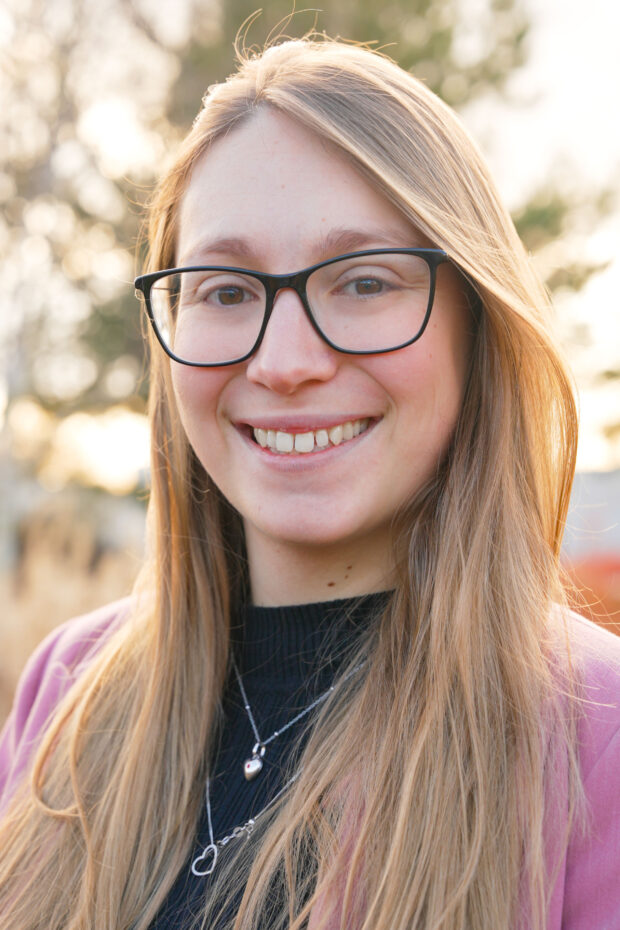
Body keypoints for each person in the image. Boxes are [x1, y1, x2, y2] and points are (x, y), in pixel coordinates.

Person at [1, 35, 619, 930]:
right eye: (224, 290)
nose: (285, 362)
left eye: (363, 282)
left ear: (475, 326)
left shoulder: (593, 738)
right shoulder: (69, 690)